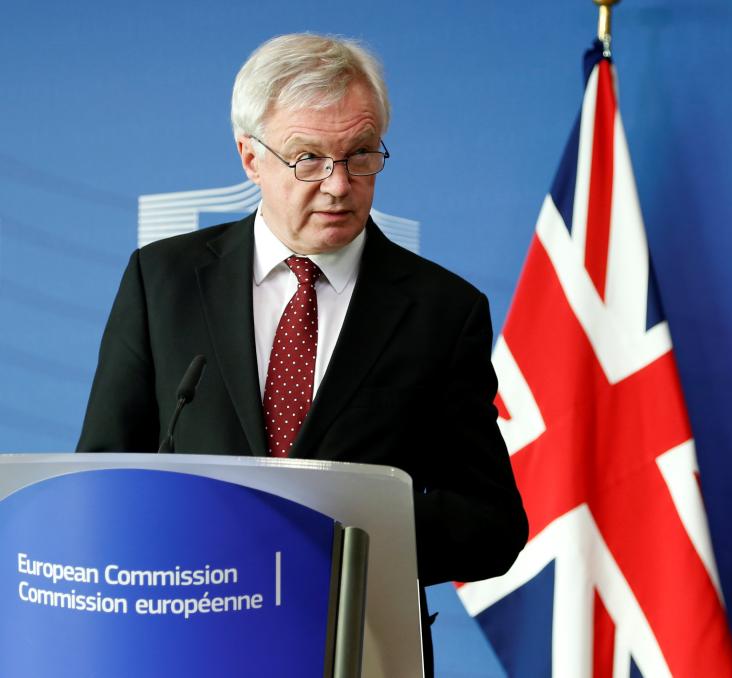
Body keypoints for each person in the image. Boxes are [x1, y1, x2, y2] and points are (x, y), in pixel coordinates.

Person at [77, 33, 528, 675]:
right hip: (189, 647)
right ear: (249, 157)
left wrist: (341, 530)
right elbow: (101, 484)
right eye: (308, 158)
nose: (339, 185)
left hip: (361, 652)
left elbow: (491, 527)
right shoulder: (163, 282)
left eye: (360, 155)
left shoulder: (442, 311)